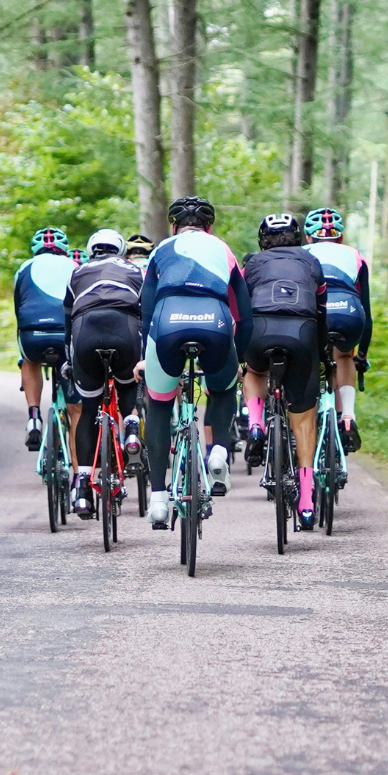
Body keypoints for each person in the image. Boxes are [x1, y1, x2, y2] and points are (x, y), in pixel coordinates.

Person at [138, 196, 252, 528]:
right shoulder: (223, 250)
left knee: (158, 405)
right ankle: (217, 452)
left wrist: (149, 352)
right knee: (222, 389)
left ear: (173, 226)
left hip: (167, 325)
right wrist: (239, 358)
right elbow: (244, 314)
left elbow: (145, 309)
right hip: (214, 323)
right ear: (209, 227)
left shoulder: (161, 250)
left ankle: (158, 499)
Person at [241, 213, 328, 529]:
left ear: (262, 241)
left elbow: (238, 306)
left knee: (253, 371)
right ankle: (306, 501)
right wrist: (321, 355)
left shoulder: (252, 265)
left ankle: (255, 425)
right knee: (303, 417)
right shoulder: (311, 262)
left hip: (260, 328)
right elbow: (321, 311)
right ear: (300, 238)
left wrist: (239, 350)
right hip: (302, 330)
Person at [63, 228, 144, 519]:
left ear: (91, 249)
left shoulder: (78, 271)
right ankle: (132, 428)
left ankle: (83, 488)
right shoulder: (134, 270)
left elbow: (67, 318)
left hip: (85, 330)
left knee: (87, 410)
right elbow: (145, 313)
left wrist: (68, 361)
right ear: (120, 249)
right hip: (125, 328)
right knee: (127, 387)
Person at [304, 207, 372, 452]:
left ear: (308, 237)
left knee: (306, 358)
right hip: (348, 310)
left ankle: (306, 419)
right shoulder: (355, 255)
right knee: (344, 355)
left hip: (313, 309)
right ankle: (348, 417)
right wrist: (361, 355)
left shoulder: (301, 253)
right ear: (340, 237)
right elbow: (367, 310)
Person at [13, 227, 81, 450]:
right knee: (77, 410)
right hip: (67, 337)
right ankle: (77, 477)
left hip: (33, 336)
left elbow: (18, 309)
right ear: (64, 249)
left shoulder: (24, 268)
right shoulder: (76, 266)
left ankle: (34, 415)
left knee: (28, 359)